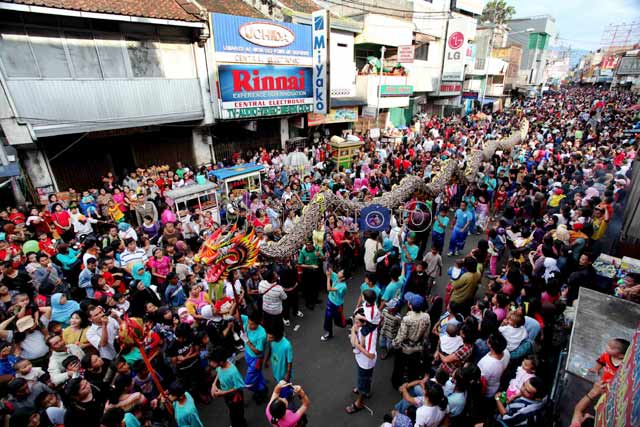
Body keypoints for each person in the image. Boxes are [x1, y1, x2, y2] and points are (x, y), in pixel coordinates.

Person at [391, 292, 430, 389]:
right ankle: (411, 384)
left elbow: (402, 335)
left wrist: (395, 344)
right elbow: (426, 333)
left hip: (405, 348)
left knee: (399, 367)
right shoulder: (426, 317)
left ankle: (396, 384)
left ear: (410, 305)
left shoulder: (407, 319)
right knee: (413, 367)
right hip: (418, 347)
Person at [346, 305, 377, 414]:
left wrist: (358, 345)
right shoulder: (363, 327)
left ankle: (359, 403)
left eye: (357, 322)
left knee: (363, 381)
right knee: (364, 379)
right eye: (354, 321)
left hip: (366, 363)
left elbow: (371, 355)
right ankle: (365, 390)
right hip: (361, 360)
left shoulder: (369, 336)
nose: (355, 324)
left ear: (364, 322)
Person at [209, 346, 247, 427]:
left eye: (213, 361)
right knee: (232, 411)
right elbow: (218, 373)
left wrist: (223, 393)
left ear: (221, 362)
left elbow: (239, 387)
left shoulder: (233, 372)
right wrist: (214, 384)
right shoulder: (220, 367)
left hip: (235, 397)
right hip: (227, 397)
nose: (211, 363)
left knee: (238, 415)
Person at [240, 310, 268, 402]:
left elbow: (257, 351)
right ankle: (262, 387)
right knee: (257, 374)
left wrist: (247, 341)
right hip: (248, 354)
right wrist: (236, 302)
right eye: (249, 323)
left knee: (248, 383)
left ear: (258, 323)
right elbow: (233, 314)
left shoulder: (262, 334)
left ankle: (261, 390)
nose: (249, 326)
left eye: (252, 325)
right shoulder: (247, 319)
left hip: (256, 359)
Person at [321, 267, 348, 341]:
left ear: (343, 277)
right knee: (328, 318)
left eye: (341, 272)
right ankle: (329, 333)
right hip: (330, 302)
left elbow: (329, 289)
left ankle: (349, 321)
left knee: (339, 323)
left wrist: (328, 277)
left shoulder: (343, 286)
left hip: (337, 305)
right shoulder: (336, 276)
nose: (339, 272)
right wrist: (328, 268)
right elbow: (329, 270)